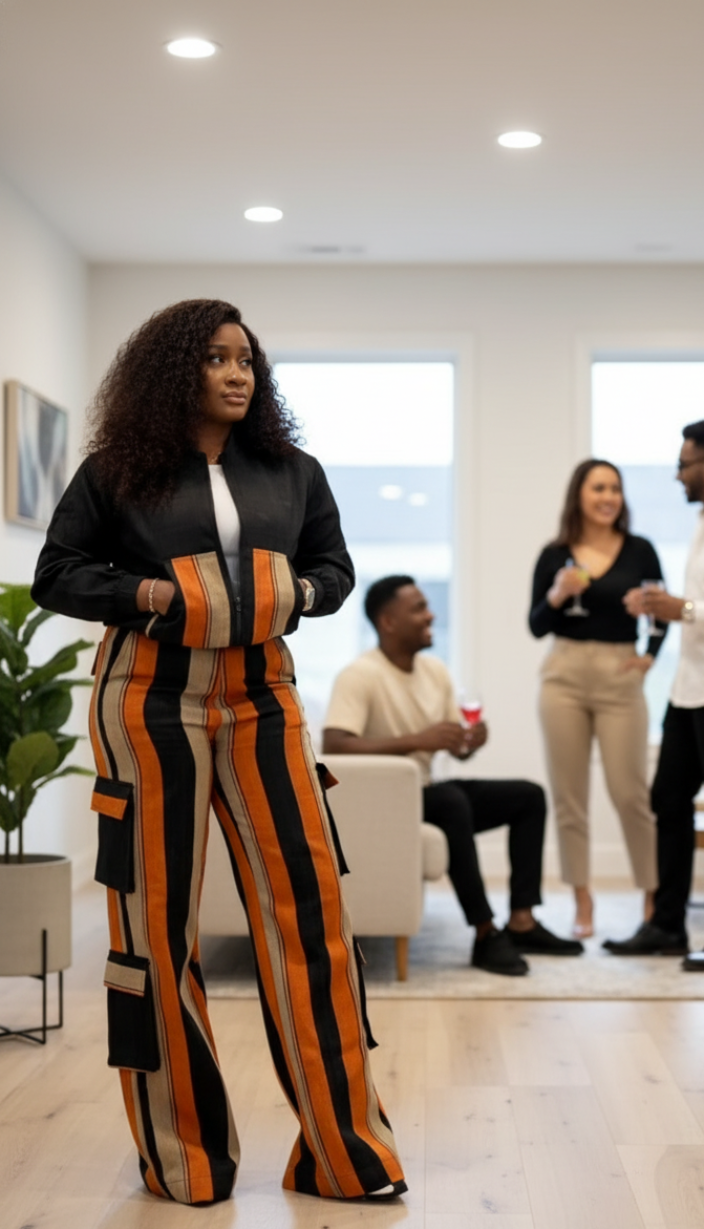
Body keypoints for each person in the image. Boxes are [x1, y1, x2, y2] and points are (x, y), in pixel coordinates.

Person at [31, 299, 406, 1206]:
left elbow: (336, 569)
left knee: (311, 918)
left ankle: (345, 1152)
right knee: (152, 931)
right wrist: (155, 593)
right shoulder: (116, 470)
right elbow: (58, 572)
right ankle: (182, 1157)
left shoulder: (293, 469)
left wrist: (304, 591)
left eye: (247, 359)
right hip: (147, 701)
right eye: (215, 358)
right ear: (174, 371)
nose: (238, 373)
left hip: (265, 699)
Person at [322, 575, 583, 978]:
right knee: (450, 801)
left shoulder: (435, 672)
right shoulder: (359, 675)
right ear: (388, 622)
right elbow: (335, 744)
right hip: (385, 803)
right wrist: (417, 740)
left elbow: (452, 749)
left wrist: (469, 742)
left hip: (428, 791)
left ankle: (522, 922)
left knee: (528, 796)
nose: (431, 615)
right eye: (419, 609)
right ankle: (484, 932)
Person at [529, 459, 665, 939]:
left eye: (615, 488)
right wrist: (558, 594)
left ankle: (652, 896)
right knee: (570, 799)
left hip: (619, 676)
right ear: (579, 496)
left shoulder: (640, 550)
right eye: (598, 488)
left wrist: (650, 654)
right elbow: (537, 624)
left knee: (631, 794)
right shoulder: (555, 554)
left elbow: (660, 609)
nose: (608, 496)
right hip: (563, 676)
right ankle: (582, 898)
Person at [603, 421, 704, 964]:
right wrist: (673, 604)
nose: (678, 474)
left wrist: (682, 610)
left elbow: (695, 610)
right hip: (689, 691)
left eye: (685, 464)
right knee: (668, 799)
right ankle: (667, 925)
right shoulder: (700, 522)